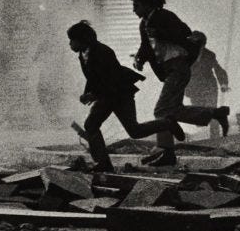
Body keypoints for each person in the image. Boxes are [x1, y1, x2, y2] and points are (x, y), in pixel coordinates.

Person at [67, 20, 184, 173]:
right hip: (107, 96)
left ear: (82, 39)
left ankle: (167, 123)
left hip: (120, 94)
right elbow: (92, 78)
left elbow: (111, 78)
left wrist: (93, 94)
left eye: (72, 40)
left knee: (122, 129)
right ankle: (104, 163)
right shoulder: (83, 54)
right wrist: (87, 93)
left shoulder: (102, 51)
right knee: (106, 127)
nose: (70, 44)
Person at [131, 0, 230, 167]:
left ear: (147, 4)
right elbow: (145, 46)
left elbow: (186, 33)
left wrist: (163, 34)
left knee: (162, 110)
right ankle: (215, 113)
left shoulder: (165, 16)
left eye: (136, 5)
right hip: (169, 70)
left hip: (178, 67)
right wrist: (139, 59)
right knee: (171, 109)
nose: (134, 10)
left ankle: (168, 152)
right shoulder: (144, 23)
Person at [187, 44, 231, 139]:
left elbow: (218, 69)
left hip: (209, 86)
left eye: (200, 46)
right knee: (200, 116)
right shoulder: (186, 54)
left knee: (212, 110)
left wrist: (223, 84)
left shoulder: (209, 55)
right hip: (194, 89)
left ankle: (215, 137)